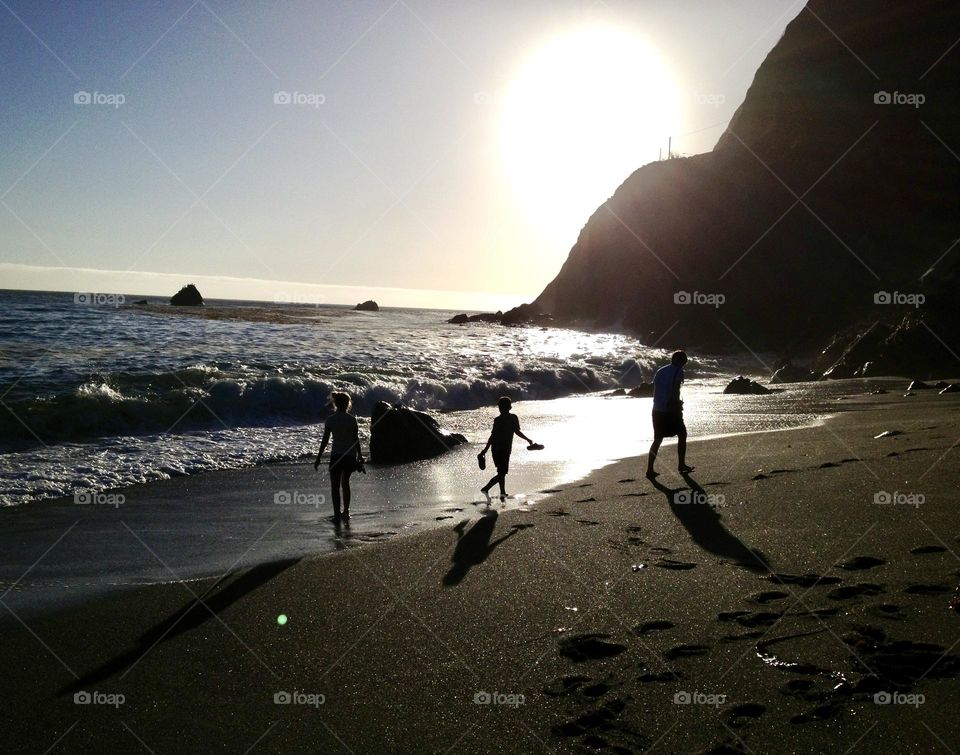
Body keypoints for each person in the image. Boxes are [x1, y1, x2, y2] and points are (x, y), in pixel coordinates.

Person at [314, 391, 363, 521]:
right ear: (348, 404)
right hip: (350, 455)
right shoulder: (352, 420)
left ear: (335, 403)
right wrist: (360, 456)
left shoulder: (330, 420)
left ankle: (336, 515)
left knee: (335, 487)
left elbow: (325, 440)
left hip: (336, 455)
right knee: (345, 483)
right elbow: (355, 439)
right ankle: (346, 512)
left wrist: (319, 457)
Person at [646, 350, 694, 479]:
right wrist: (677, 404)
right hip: (670, 409)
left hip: (656, 409)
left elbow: (656, 389)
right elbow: (675, 389)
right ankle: (681, 465)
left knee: (657, 439)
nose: (685, 364)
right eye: (684, 362)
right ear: (679, 361)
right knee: (682, 434)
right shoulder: (678, 371)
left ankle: (650, 469)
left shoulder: (660, 371)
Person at [479, 396, 535, 501]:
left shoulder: (497, 420)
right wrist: (528, 439)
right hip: (504, 449)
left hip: (495, 449)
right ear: (510, 407)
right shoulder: (513, 418)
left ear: (499, 408)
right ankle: (486, 488)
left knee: (501, 471)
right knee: (502, 473)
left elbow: (492, 437)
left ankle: (502, 493)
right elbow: (517, 432)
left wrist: (485, 450)